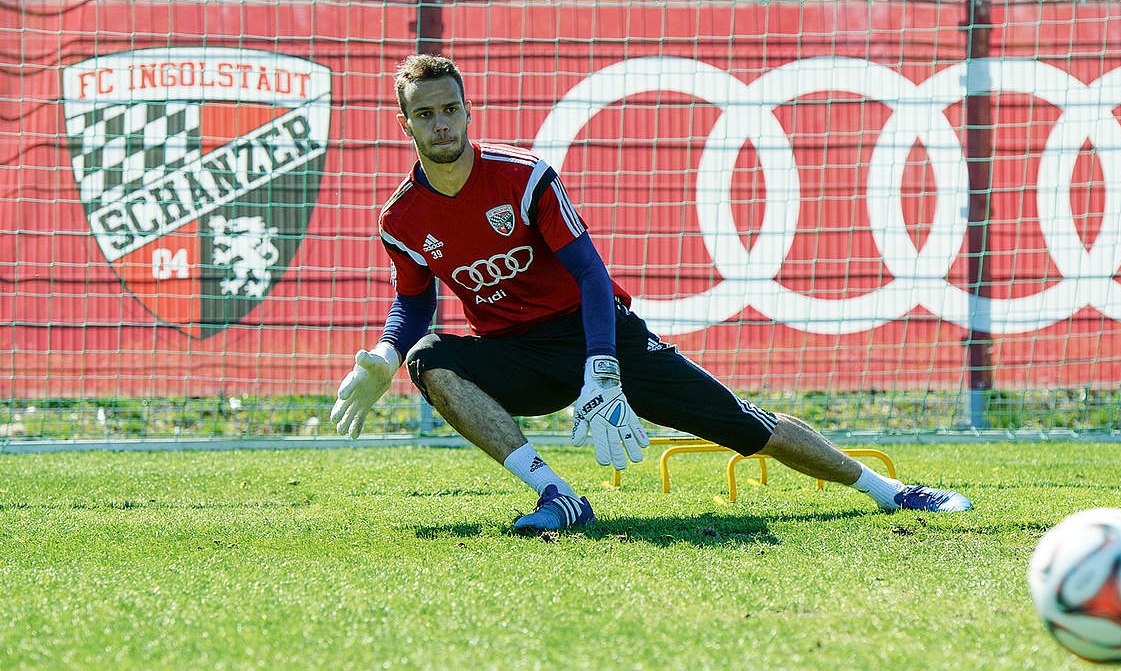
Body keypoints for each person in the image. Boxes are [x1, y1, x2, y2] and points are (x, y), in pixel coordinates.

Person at [330, 53, 973, 534]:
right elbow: (414, 304)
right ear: (405, 123)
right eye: (425, 113)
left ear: (468, 110)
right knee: (431, 357)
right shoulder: (400, 217)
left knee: (743, 426)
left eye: (450, 109)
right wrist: (386, 355)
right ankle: (558, 496)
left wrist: (604, 367)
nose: (440, 123)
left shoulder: (525, 177)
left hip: (597, 333)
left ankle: (891, 491)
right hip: (516, 354)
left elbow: (590, 275)